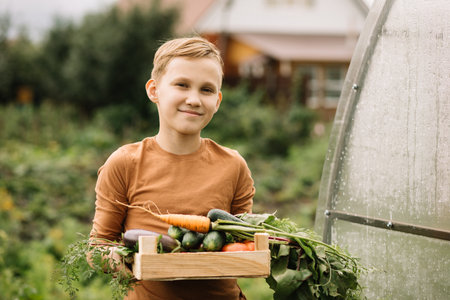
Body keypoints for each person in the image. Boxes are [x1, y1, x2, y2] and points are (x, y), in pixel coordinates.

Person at [89, 36, 255, 300]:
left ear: (218, 100)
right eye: (182, 85)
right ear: (154, 90)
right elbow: (98, 246)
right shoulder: (125, 163)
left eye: (207, 90)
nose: (194, 99)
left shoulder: (233, 166)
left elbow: (242, 241)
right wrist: (125, 263)